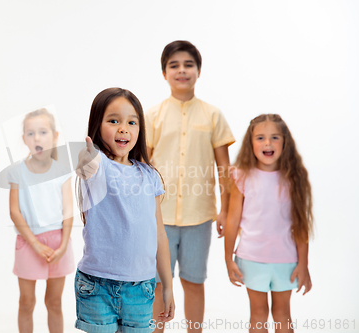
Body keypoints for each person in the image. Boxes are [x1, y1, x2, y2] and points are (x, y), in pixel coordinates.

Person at [145, 40, 235, 332]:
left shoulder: (212, 115)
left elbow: (224, 169)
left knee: (194, 281)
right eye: (174, 65)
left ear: (198, 71)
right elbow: (141, 169)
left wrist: (225, 211)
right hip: (159, 217)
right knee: (159, 283)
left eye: (188, 65)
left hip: (199, 216)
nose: (181, 71)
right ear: (164, 73)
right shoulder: (153, 116)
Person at [74, 87, 175, 333]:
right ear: (97, 126)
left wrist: (168, 286)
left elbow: (159, 234)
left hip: (140, 287)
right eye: (113, 121)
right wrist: (87, 160)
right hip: (97, 285)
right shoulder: (98, 167)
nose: (123, 128)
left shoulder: (149, 176)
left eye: (132, 122)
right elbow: (89, 166)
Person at [224, 114, 313, 332]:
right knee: (258, 314)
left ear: (285, 142)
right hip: (251, 259)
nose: (267, 143)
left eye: (275, 137)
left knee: (282, 314)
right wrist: (228, 258)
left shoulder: (294, 178)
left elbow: (301, 224)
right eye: (260, 138)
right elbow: (233, 220)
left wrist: (303, 264)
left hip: (285, 261)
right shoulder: (242, 176)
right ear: (250, 143)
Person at [8, 108, 74, 333]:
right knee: (26, 302)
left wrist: (64, 245)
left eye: (43, 132)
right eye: (31, 133)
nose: (37, 138)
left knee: (54, 302)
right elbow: (15, 212)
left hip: (58, 243)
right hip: (28, 242)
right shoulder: (17, 171)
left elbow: (68, 211)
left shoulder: (63, 171)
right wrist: (35, 244)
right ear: (24, 139)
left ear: (55, 136)